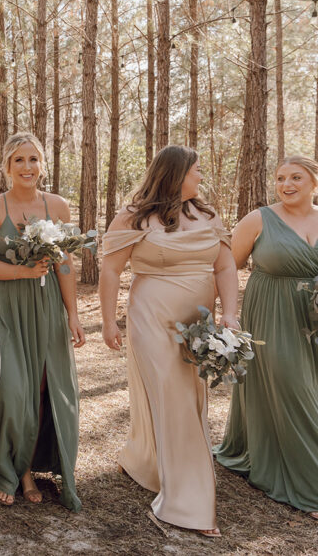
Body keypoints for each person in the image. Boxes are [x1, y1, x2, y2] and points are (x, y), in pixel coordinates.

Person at [100, 145, 237, 537]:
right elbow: (110, 271)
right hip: (152, 319)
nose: (200, 177)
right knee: (172, 398)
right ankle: (187, 505)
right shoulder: (135, 216)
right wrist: (110, 321)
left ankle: (145, 461)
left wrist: (229, 314)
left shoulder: (208, 215)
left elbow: (225, 264)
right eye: (196, 170)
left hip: (199, 322)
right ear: (175, 174)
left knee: (190, 399)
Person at [0, 131, 85, 511]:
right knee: (13, 388)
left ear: (42, 164)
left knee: (44, 388)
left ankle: (28, 467)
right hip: (3, 305)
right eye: (19, 160)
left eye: (33, 159)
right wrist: (23, 274)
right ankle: (5, 466)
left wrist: (73, 314)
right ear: (7, 167)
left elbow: (64, 263)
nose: (27, 167)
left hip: (46, 306)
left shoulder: (58, 206)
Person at [215, 155, 318, 521]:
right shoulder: (258, 219)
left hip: (315, 319)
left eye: (296, 177)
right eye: (280, 178)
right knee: (295, 389)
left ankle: (261, 446)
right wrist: (224, 314)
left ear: (313, 182)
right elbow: (227, 265)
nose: (287, 184)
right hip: (272, 315)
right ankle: (311, 488)